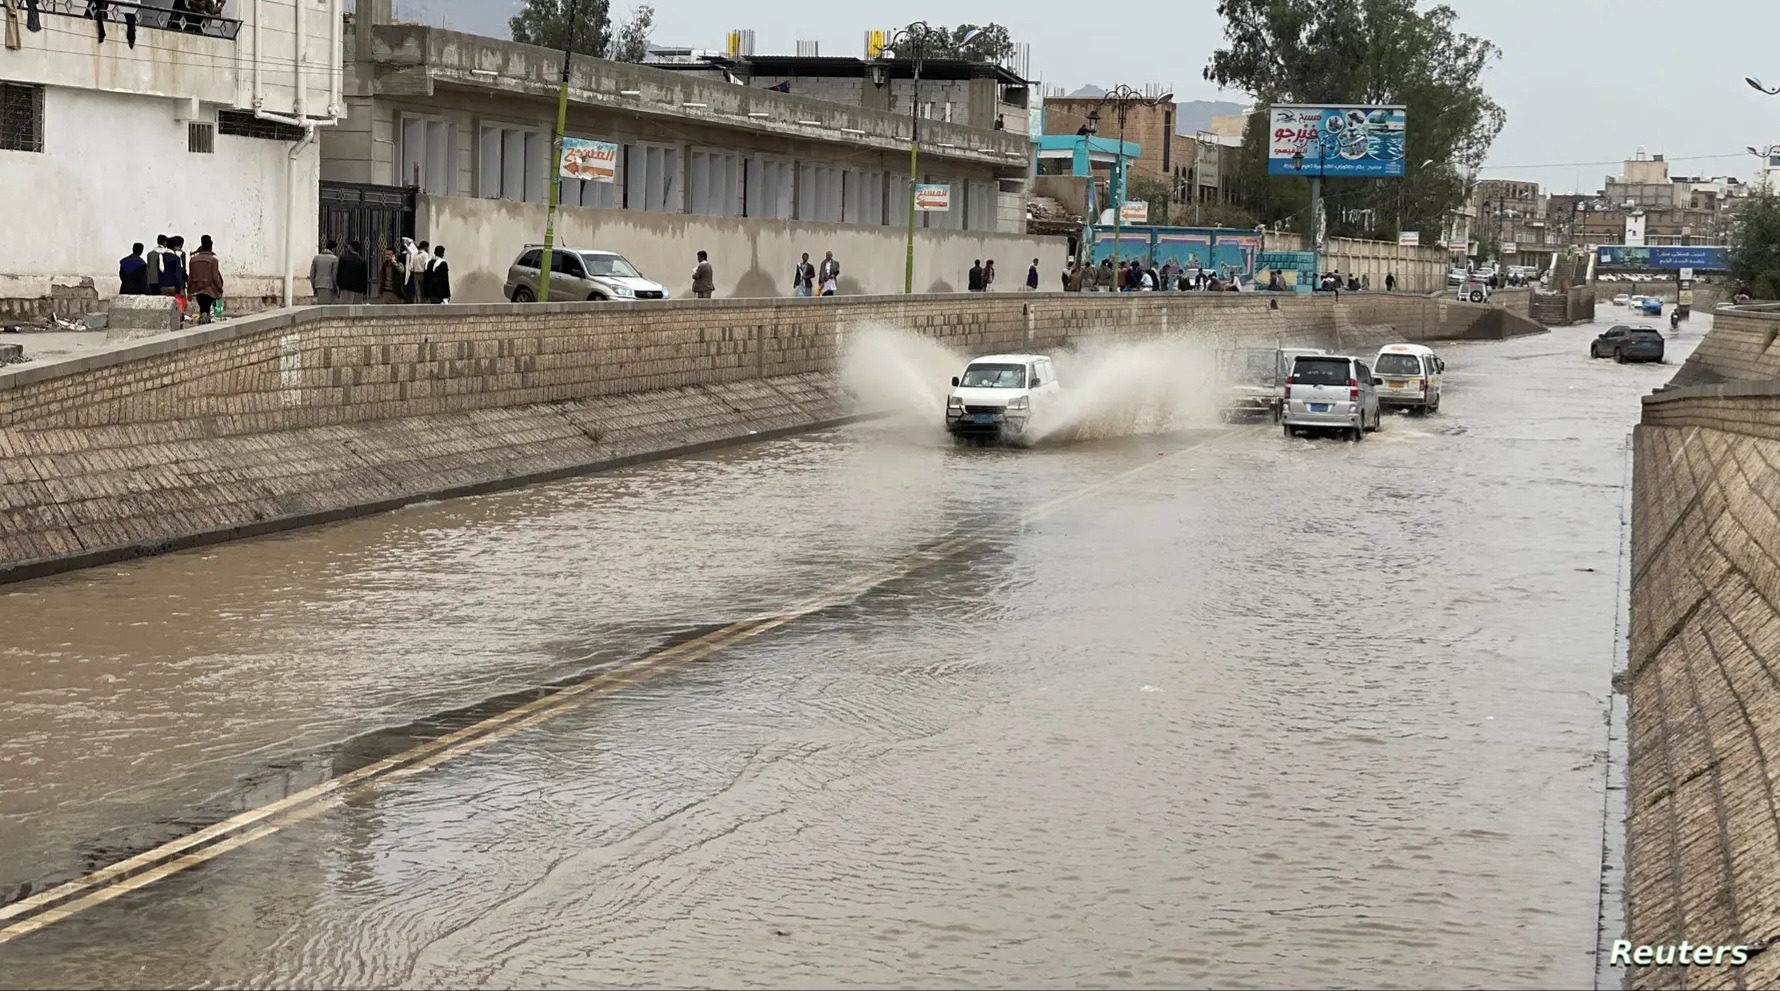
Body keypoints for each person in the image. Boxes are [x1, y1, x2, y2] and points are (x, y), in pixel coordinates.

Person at [186, 235, 224, 324]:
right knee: (206, 307)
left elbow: (190, 276)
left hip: (197, 289)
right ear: (211, 247)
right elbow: (215, 277)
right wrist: (220, 289)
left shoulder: (193, 260)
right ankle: (205, 317)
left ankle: (204, 316)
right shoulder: (213, 260)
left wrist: (189, 291)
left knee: (203, 307)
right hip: (209, 289)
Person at [336, 240, 370, 305]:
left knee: (344, 310)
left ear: (350, 248)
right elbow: (364, 276)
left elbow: (339, 274)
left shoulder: (343, 258)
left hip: (345, 288)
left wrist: (338, 287)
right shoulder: (362, 260)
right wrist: (365, 291)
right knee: (356, 310)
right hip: (357, 289)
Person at [309, 240, 339, 304]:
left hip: (318, 285)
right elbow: (334, 275)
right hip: (329, 286)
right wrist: (336, 288)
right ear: (333, 249)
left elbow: (312, 274)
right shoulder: (334, 259)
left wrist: (314, 287)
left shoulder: (316, 258)